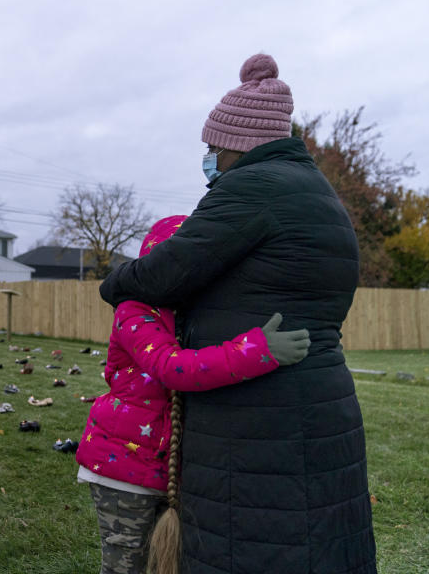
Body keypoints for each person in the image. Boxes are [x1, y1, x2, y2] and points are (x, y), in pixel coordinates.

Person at [100, 54, 376, 573]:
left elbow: (166, 274)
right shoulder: (318, 193)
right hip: (316, 401)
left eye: (212, 148)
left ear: (236, 144)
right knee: (321, 544)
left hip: (257, 418)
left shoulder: (253, 186)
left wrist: (116, 283)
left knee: (255, 546)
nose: (209, 160)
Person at [76, 215, 311, 574]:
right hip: (123, 469)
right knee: (126, 566)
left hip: (172, 475)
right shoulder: (134, 312)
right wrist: (256, 351)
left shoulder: (193, 314)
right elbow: (173, 367)